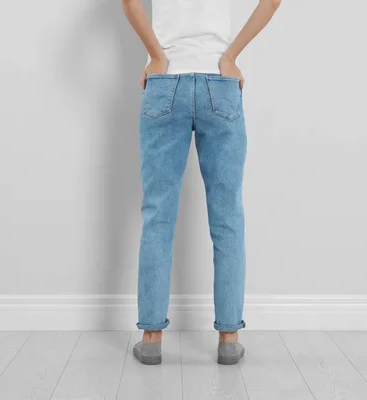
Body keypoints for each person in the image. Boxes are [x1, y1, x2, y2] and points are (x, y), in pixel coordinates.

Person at [122, 0, 281, 365]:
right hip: (219, 82)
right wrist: (231, 56)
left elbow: (129, 3)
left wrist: (156, 56)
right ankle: (228, 338)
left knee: (158, 216)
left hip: (166, 82)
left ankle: (151, 339)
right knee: (227, 218)